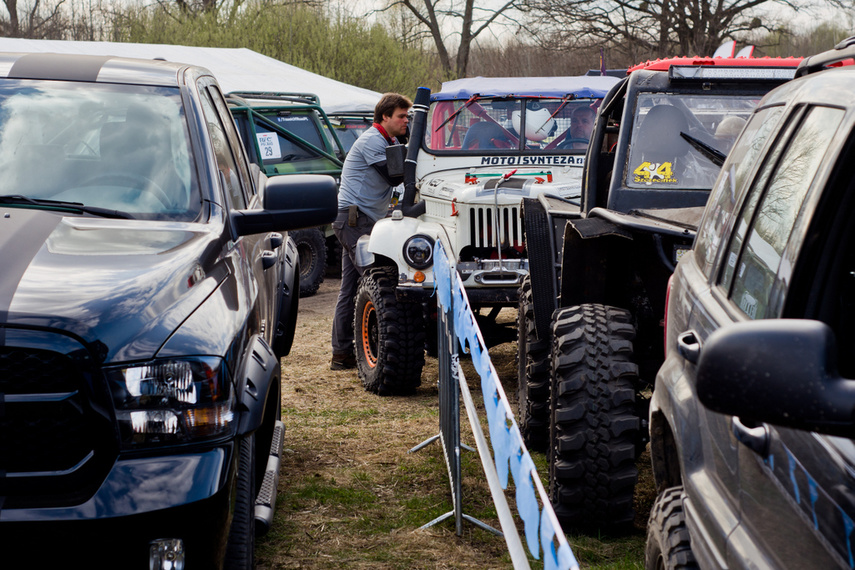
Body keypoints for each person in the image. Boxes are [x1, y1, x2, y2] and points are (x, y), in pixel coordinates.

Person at [330, 92, 412, 370]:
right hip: (355, 220)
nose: (406, 121)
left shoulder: (386, 140)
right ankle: (374, 353)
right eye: (401, 116)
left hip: (358, 220)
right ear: (385, 117)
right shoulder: (372, 141)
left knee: (350, 287)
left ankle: (342, 355)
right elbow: (395, 176)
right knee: (377, 286)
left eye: (408, 117)